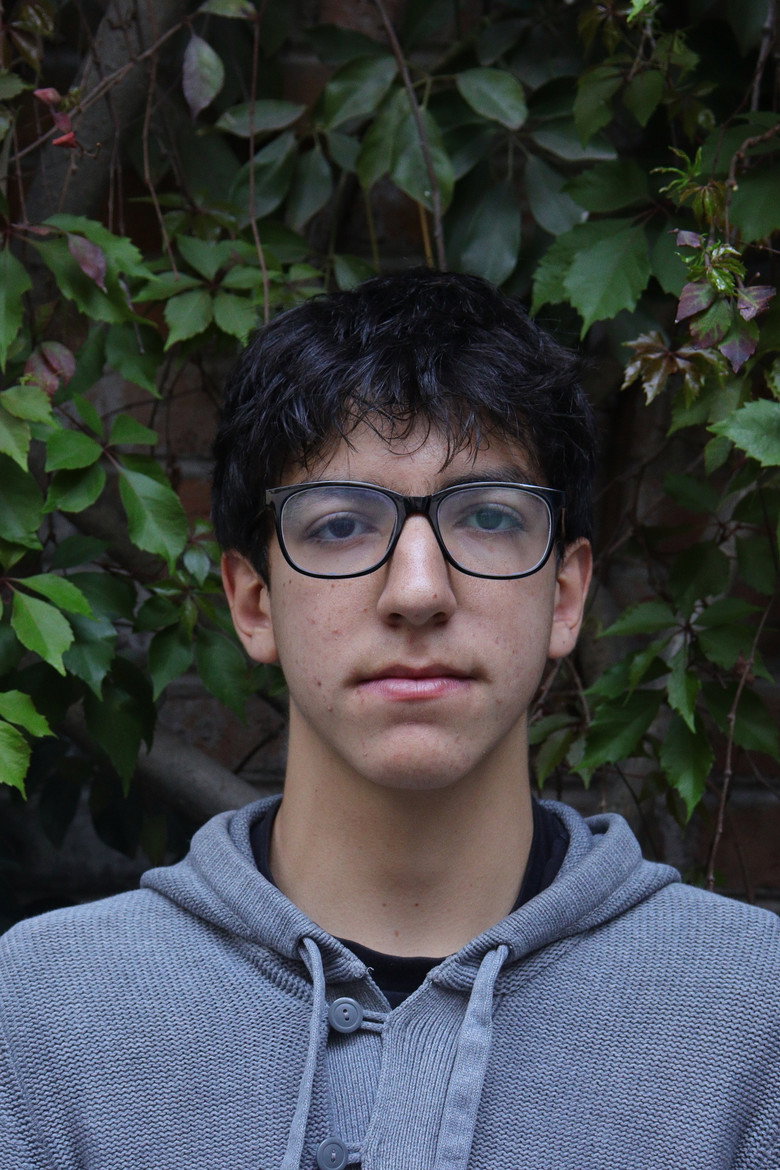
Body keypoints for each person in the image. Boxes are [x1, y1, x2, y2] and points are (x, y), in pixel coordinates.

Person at [1, 270, 778, 1170]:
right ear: (253, 604)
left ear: (565, 597)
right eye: (340, 525)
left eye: (487, 517)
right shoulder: (44, 1013)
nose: (418, 591)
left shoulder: (751, 1016)